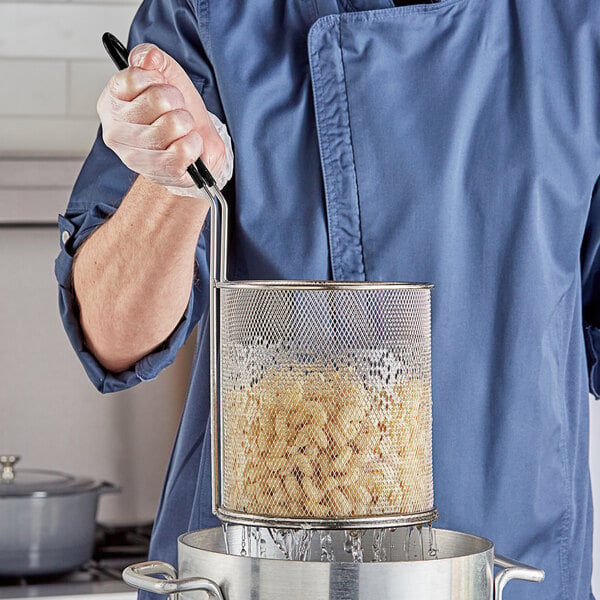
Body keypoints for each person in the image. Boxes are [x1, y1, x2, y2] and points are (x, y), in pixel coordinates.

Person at [56, 1, 600, 598]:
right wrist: (178, 182)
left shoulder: (575, 22)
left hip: (510, 567)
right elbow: (112, 335)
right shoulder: (212, 13)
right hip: (253, 570)